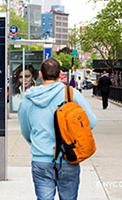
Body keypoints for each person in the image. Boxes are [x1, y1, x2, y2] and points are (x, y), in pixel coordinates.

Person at [18, 57, 97, 200]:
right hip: (68, 158)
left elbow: (25, 130)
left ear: (40, 75)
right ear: (60, 74)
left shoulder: (29, 99)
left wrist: (38, 144)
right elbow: (91, 122)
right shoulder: (71, 94)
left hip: (41, 160)